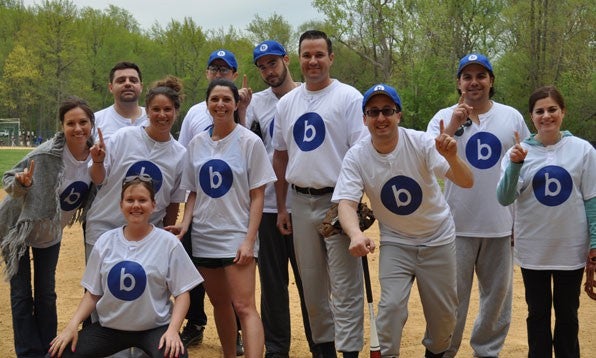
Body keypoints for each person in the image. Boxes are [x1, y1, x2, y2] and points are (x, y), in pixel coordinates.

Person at [334, 83, 474, 357]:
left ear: (399, 115)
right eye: (373, 112)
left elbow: (466, 181)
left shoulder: (421, 142)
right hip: (397, 241)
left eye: (387, 110)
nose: (381, 118)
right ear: (364, 119)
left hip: (437, 238)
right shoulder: (357, 156)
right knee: (391, 308)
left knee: (444, 319)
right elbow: (347, 203)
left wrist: (453, 158)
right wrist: (355, 234)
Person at [426, 53, 530, 358]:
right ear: (458, 82)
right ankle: (443, 350)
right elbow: (429, 160)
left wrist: (517, 221)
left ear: (491, 81)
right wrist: (455, 124)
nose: (474, 82)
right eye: (467, 76)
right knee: (450, 299)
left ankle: (486, 351)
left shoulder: (511, 117)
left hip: (500, 225)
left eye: (481, 76)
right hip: (455, 225)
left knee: (497, 300)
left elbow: (524, 167)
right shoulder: (444, 116)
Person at [272, 30, 366, 358]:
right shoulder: (286, 104)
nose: (313, 61)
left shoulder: (349, 98)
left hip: (337, 201)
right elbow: (280, 156)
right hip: (299, 200)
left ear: (331, 57)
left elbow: (360, 152)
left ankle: (350, 351)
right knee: (311, 286)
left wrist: (352, 202)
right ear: (298, 58)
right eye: (307, 55)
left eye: (319, 55)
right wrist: (283, 206)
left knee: (345, 285)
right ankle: (324, 351)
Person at [167, 78, 275, 358]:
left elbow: (258, 195)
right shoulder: (197, 143)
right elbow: (193, 193)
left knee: (244, 306)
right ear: (207, 104)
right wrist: (185, 224)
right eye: (215, 99)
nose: (220, 104)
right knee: (219, 303)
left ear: (236, 103)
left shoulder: (249, 141)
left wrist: (249, 241)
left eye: (227, 99)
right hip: (204, 234)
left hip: (236, 234)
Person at [48, 176, 203, 357]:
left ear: (153, 205)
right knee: (58, 353)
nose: (136, 205)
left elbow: (182, 293)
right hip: (110, 329)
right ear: (121, 205)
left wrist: (173, 330)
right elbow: (93, 293)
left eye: (142, 200)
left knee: (175, 354)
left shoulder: (169, 243)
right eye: (130, 200)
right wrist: (72, 325)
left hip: (154, 328)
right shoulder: (105, 241)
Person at [496, 86, 596, 358]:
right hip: (534, 250)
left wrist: (595, 243)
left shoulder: (583, 150)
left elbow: (591, 199)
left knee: (568, 315)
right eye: (539, 111)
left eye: (552, 109)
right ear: (531, 117)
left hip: (571, 249)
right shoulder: (517, 153)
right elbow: (504, 198)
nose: (546, 115)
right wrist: (516, 164)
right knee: (537, 314)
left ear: (563, 112)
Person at [0, 97, 95, 357]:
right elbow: (9, 178)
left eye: (83, 122)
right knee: (21, 294)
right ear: (62, 126)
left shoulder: (95, 156)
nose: (78, 128)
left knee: (46, 293)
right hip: (17, 227)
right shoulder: (46, 153)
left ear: (91, 124)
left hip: (50, 232)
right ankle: (28, 352)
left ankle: (48, 349)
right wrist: (23, 183)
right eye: (71, 123)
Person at [177, 49, 250, 353]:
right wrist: (184, 213)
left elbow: (250, 142)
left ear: (234, 74)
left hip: (233, 207)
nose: (219, 72)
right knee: (195, 270)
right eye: (214, 68)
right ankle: (195, 323)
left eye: (226, 68)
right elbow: (184, 155)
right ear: (207, 74)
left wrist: (244, 109)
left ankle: (236, 333)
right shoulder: (196, 113)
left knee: (234, 279)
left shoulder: (245, 106)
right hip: (201, 205)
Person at [247, 40, 315, 358]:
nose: (268, 71)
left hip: (302, 202)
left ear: (287, 60)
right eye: (262, 66)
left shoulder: (307, 95)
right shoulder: (256, 102)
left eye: (272, 63)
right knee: (272, 282)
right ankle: (276, 349)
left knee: (310, 279)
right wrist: (241, 108)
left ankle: (321, 344)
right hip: (269, 205)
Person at [85, 76, 187, 258]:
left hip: (147, 235)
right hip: (105, 226)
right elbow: (98, 178)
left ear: (176, 112)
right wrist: (98, 161)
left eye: (167, 109)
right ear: (147, 111)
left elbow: (173, 202)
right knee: (98, 286)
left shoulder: (180, 154)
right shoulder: (124, 137)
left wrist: (165, 236)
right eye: (156, 109)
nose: (162, 115)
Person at [94, 61, 147, 141]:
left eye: (133, 80)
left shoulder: (154, 118)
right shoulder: (95, 121)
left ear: (141, 87)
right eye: (121, 81)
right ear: (111, 87)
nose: (128, 84)